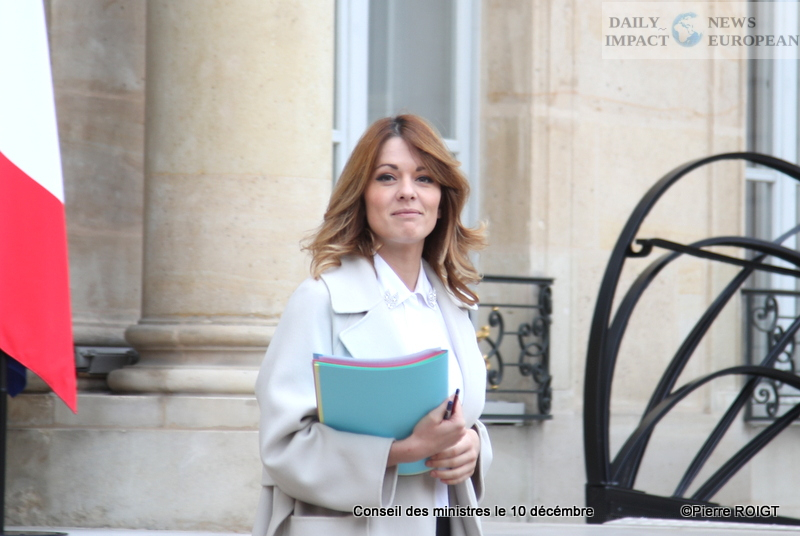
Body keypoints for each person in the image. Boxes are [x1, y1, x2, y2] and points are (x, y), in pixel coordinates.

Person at [252, 115, 491, 536]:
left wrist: (473, 446)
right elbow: (283, 447)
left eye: (424, 178)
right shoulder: (319, 300)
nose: (407, 191)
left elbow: (459, 419)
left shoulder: (454, 305)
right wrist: (401, 452)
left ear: (442, 200)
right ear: (362, 197)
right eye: (387, 177)